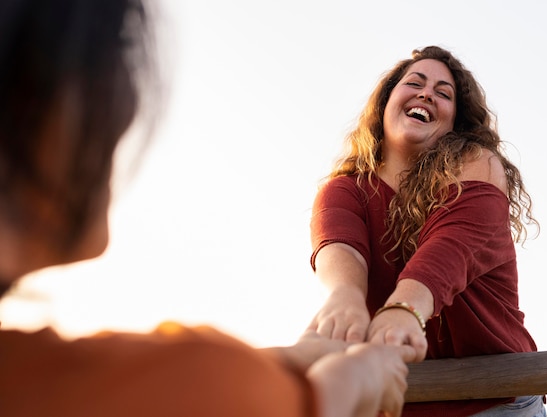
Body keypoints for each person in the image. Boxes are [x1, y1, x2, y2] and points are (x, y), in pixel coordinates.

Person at [0, 1, 418, 416]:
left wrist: (295, 357)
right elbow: (214, 387)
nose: (125, 107)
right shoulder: (209, 378)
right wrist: (359, 376)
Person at [307, 46, 546, 417]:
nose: (426, 93)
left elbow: (450, 247)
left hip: (495, 399)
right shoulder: (346, 190)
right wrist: (345, 297)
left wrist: (404, 308)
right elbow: (340, 246)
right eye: (414, 83)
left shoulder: (478, 165)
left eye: (443, 92)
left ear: (455, 121)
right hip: (402, 405)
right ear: (386, 103)